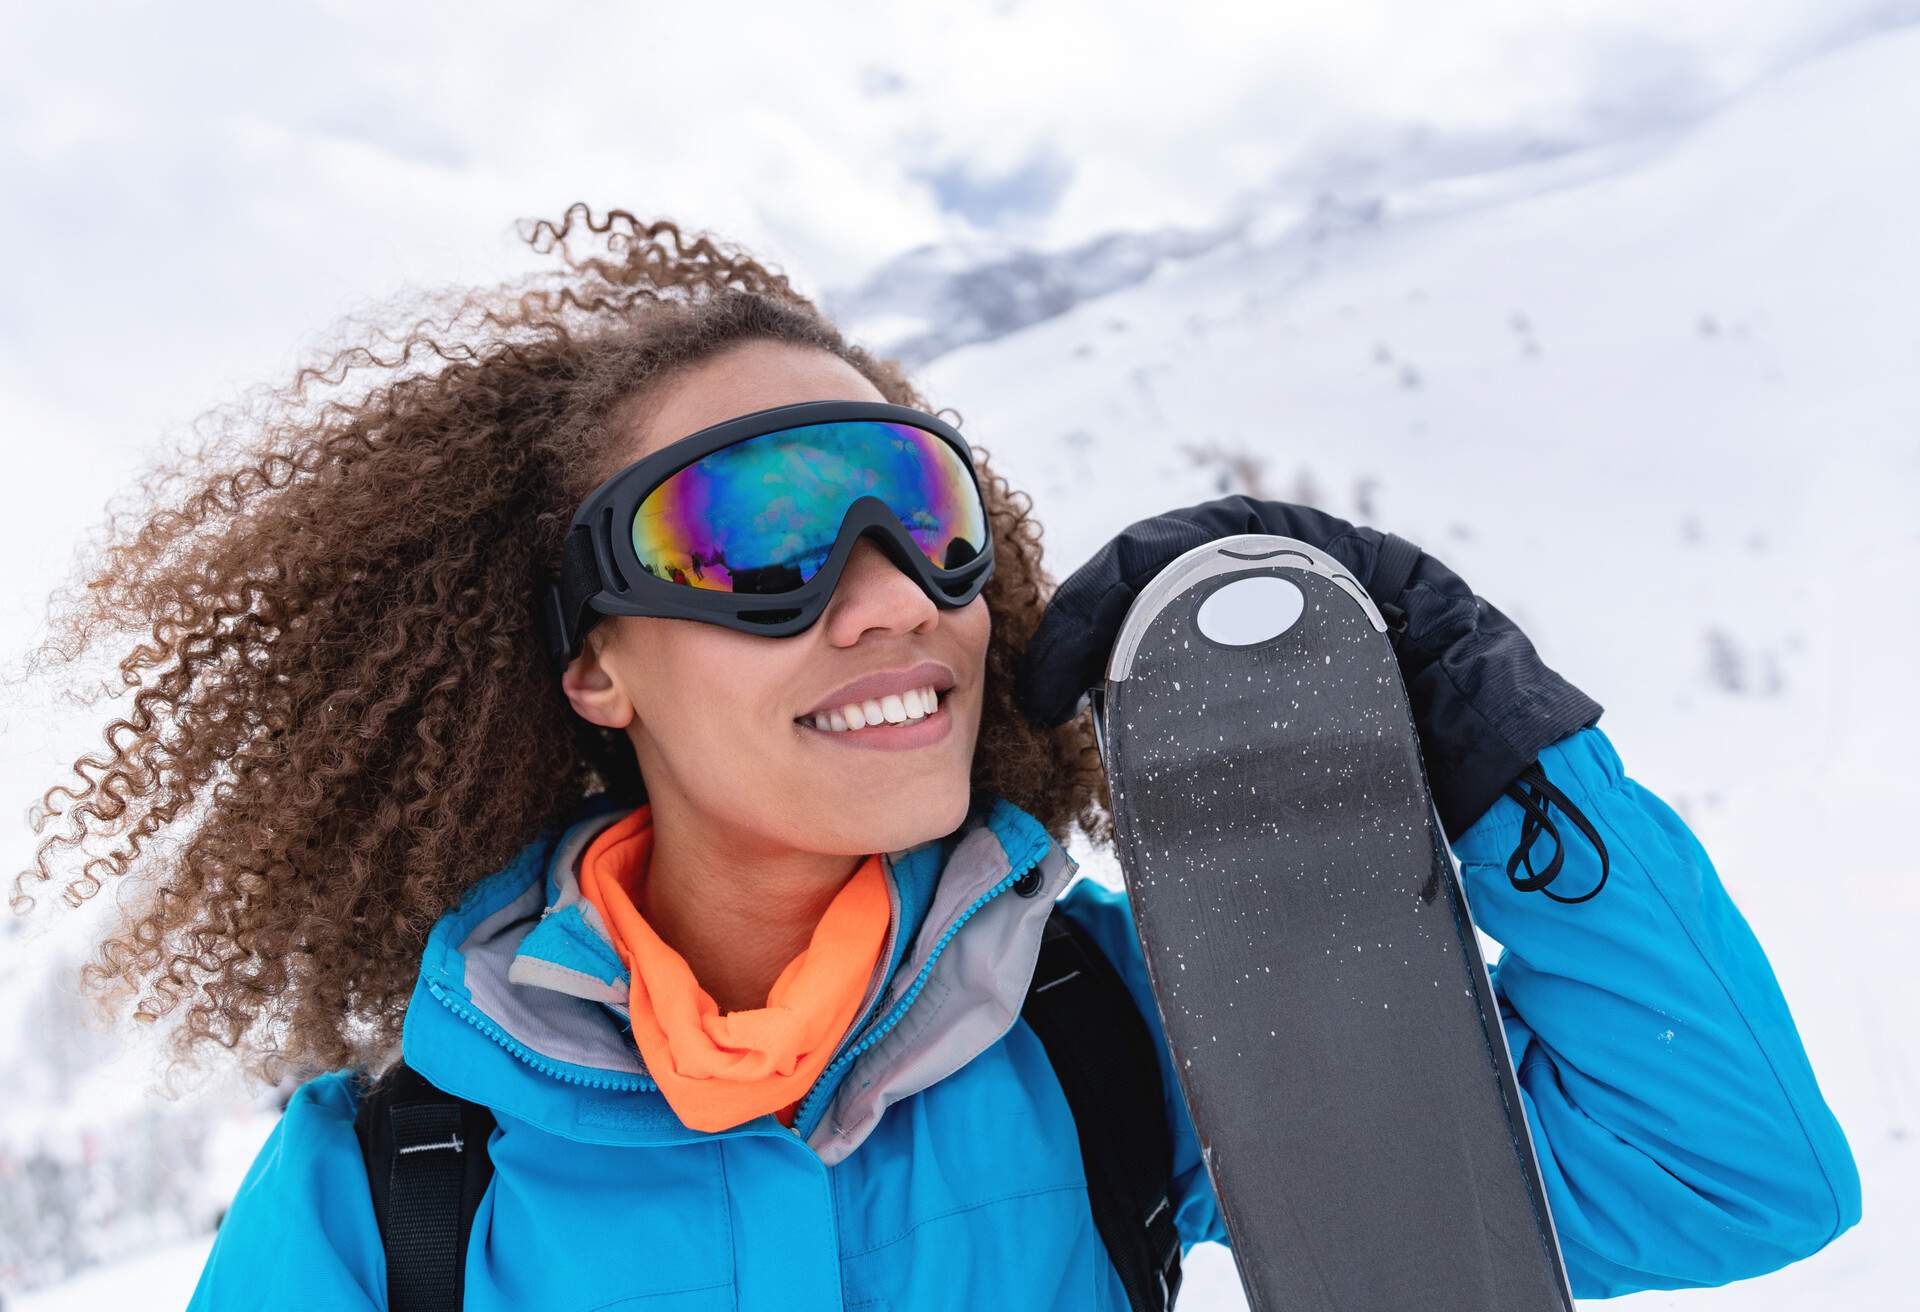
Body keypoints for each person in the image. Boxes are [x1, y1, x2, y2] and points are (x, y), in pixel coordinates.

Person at [12, 206, 1858, 1310]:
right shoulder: (408, 1177)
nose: (886, 598)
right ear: (593, 667)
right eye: (754, 538)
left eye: (918, 513)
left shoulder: (1119, 1025)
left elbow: (1720, 1171)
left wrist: (1487, 747)